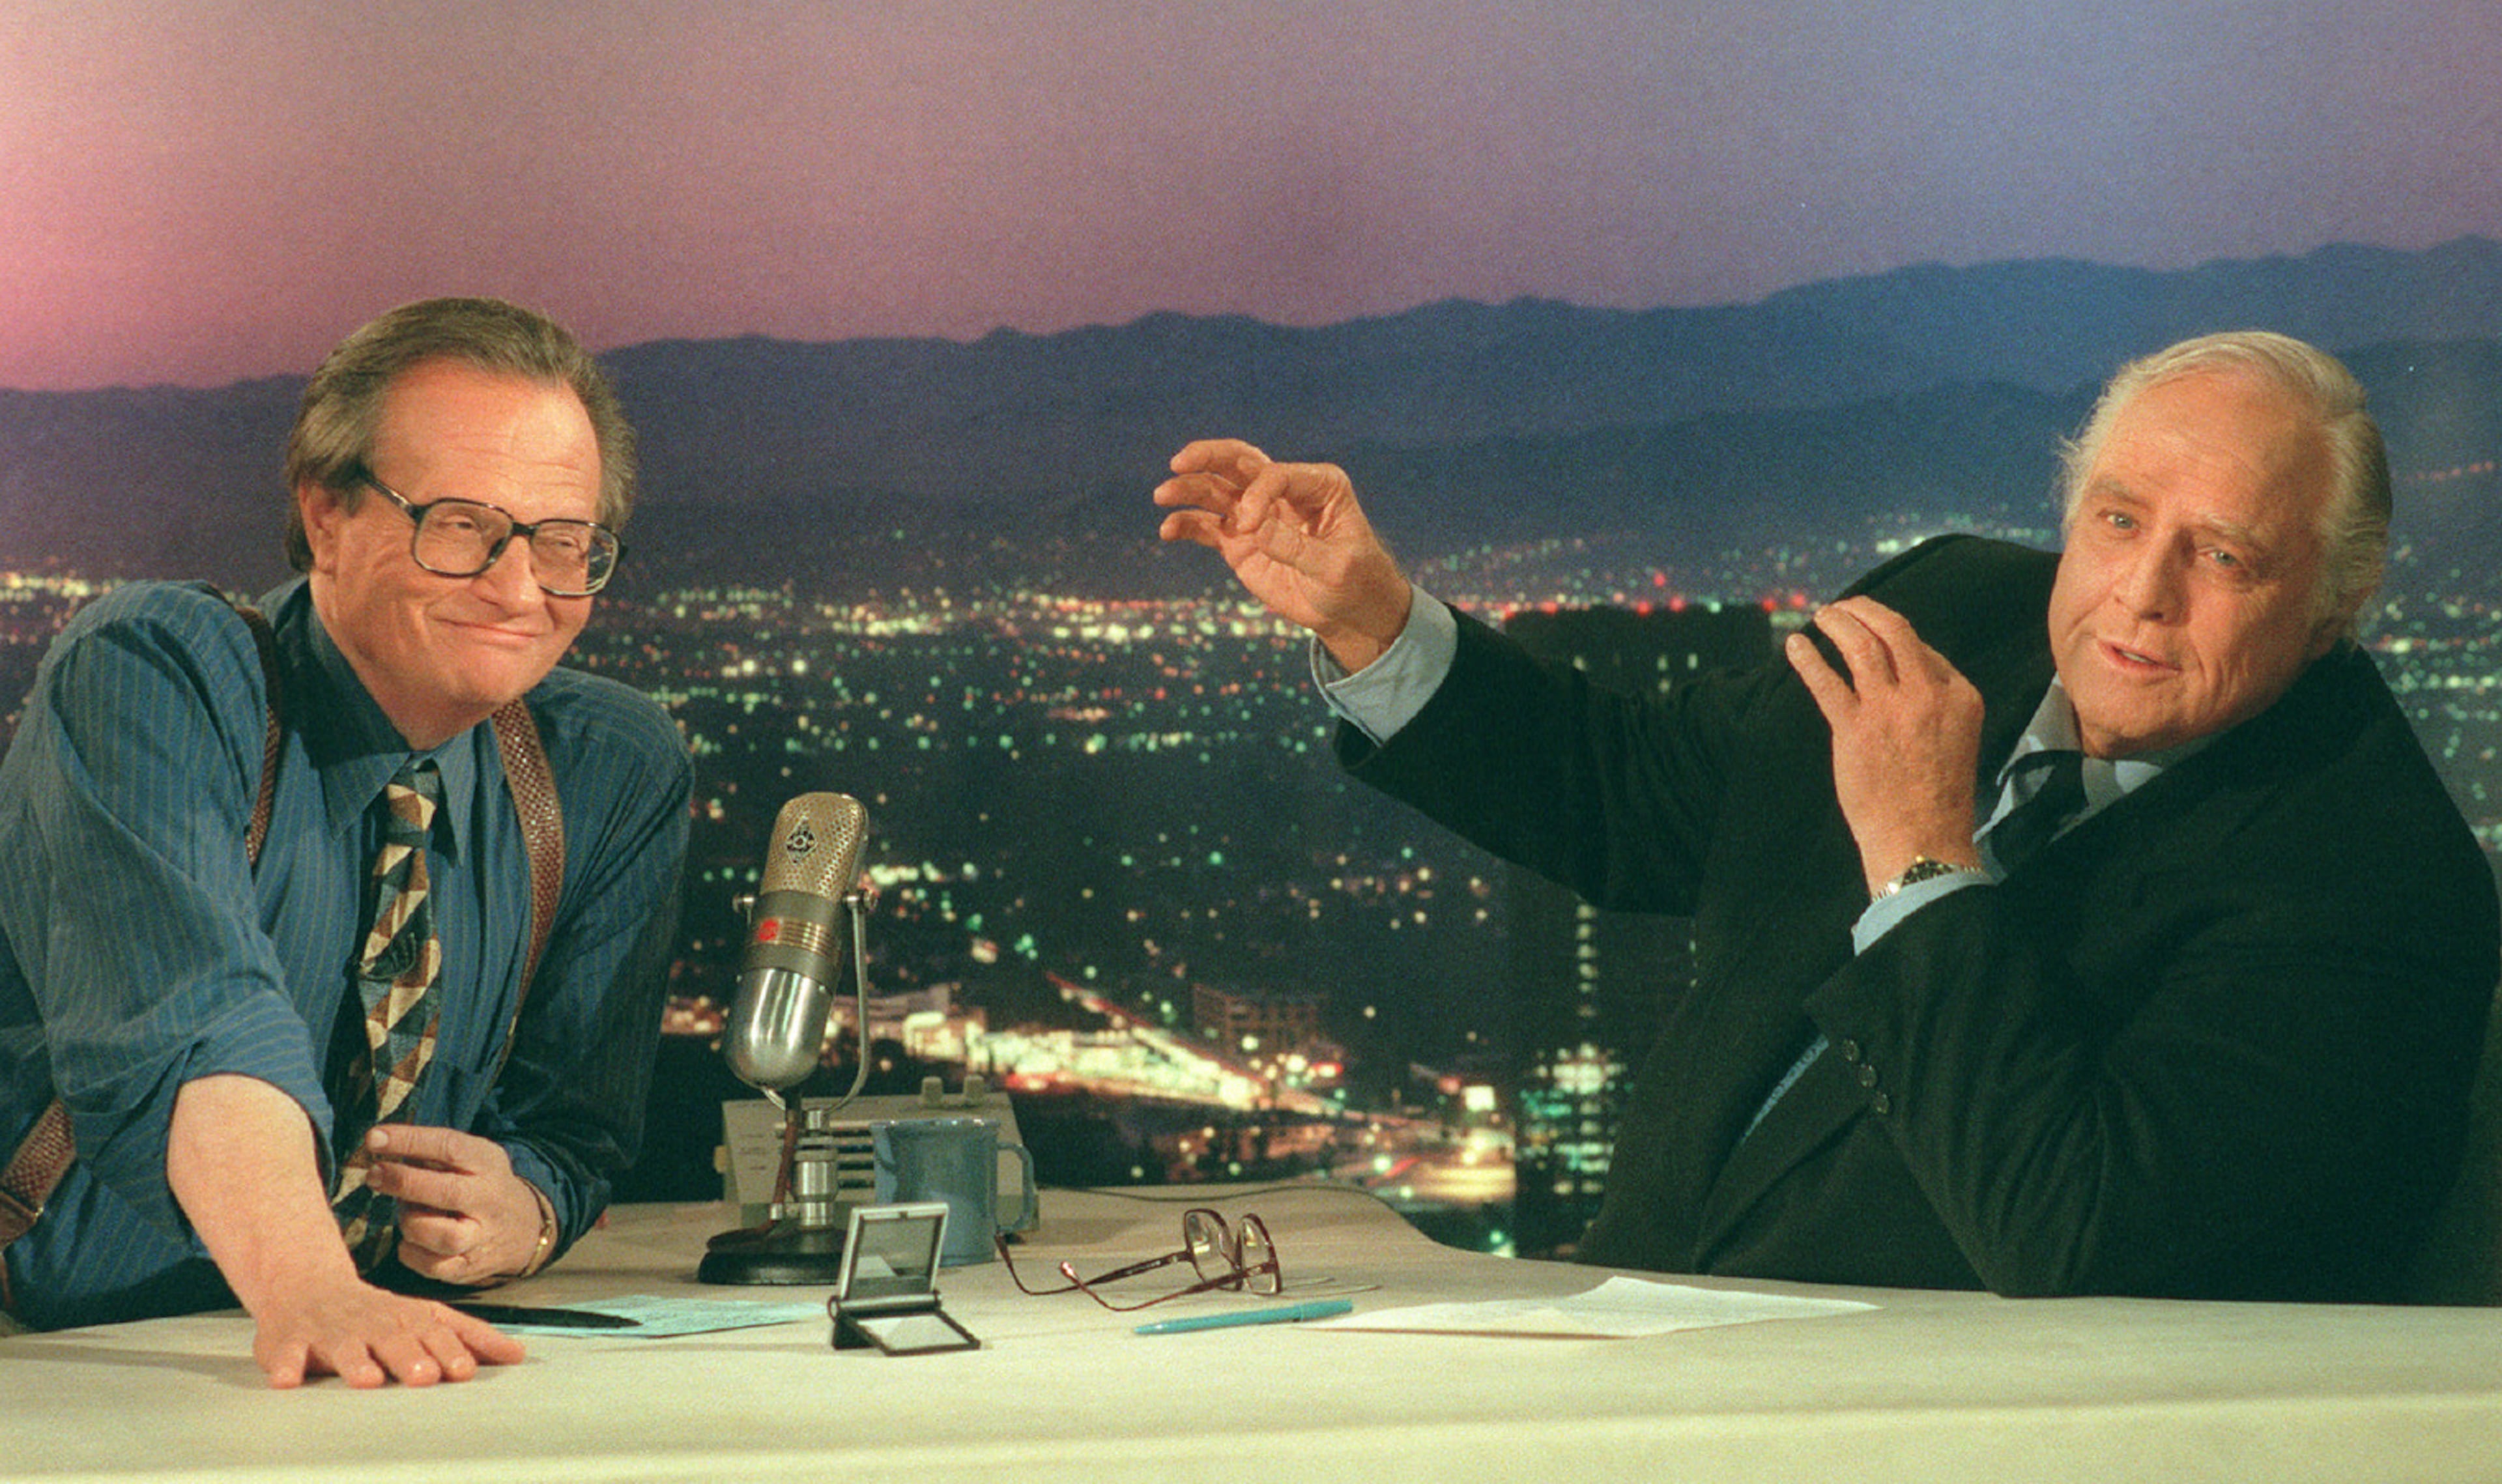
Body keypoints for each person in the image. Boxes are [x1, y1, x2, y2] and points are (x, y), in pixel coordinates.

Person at [1155, 330, 2499, 1301]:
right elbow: (1626, 794)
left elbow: (2079, 1237)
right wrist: (1372, 617)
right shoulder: (1951, 609)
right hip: (1625, 1339)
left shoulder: (2375, 889)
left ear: (2331, 612)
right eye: (2119, 518)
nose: (2142, 592)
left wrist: (1922, 856)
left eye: (2223, 555)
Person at [0, 298, 691, 1384]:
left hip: (392, 1377)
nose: (520, 590)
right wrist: (314, 1287)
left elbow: (575, 1127)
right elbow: (201, 1025)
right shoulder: (158, 674)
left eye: (563, 544)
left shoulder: (609, 767)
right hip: (65, 1367)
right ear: (327, 516)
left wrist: (529, 1211)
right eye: (463, 525)